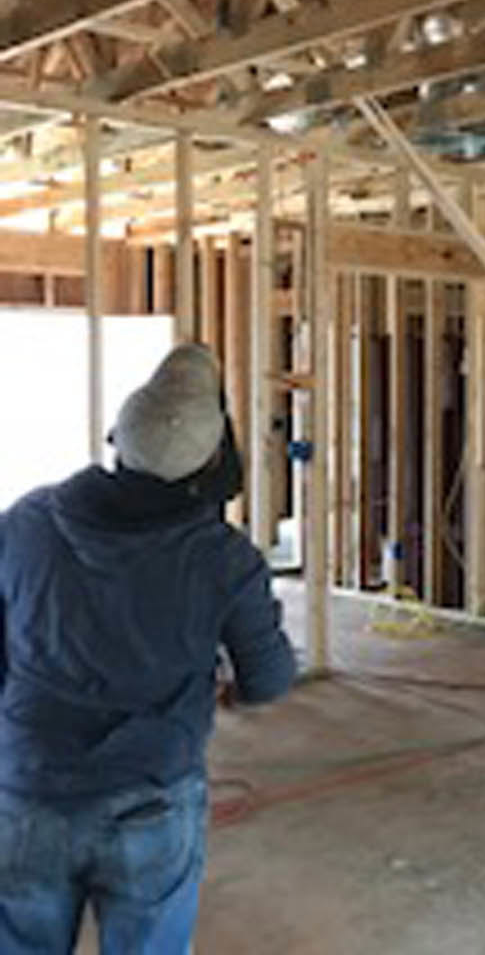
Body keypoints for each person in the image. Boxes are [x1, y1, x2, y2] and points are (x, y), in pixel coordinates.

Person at [0, 344, 296, 953]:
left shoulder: (26, 519)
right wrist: (231, 690)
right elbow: (268, 678)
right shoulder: (224, 558)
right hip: (150, 797)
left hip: (28, 787)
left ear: (119, 441)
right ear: (211, 462)